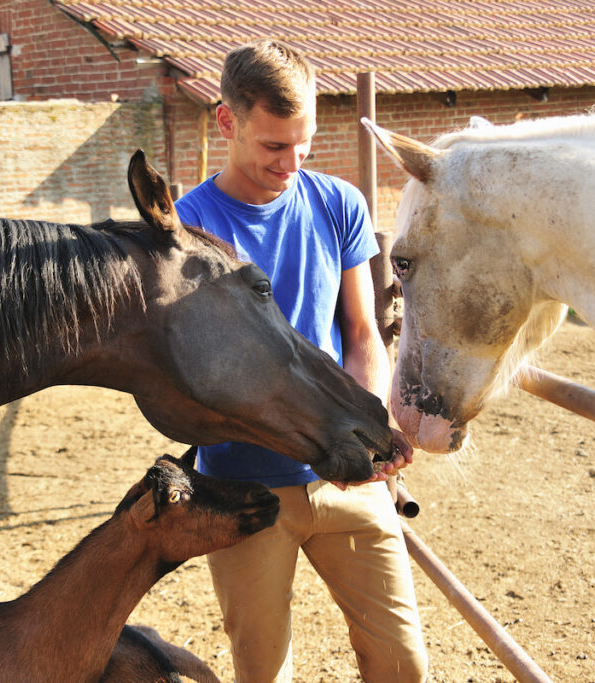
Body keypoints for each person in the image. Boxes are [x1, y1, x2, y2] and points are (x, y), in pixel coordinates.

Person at [174, 40, 428, 682]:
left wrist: (368, 432)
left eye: (303, 146)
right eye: (273, 147)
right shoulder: (189, 226)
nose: (291, 164)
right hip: (245, 487)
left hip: (348, 474)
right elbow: (200, 375)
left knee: (404, 666)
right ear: (228, 122)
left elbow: (363, 333)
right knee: (263, 675)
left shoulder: (339, 203)